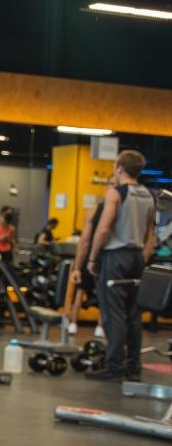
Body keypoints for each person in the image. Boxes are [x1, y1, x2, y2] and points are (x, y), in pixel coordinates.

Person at [87, 150, 155, 382]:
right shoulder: (148, 195)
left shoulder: (115, 193)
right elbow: (149, 234)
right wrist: (142, 259)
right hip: (136, 256)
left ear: (119, 168)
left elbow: (104, 229)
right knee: (133, 314)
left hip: (116, 256)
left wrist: (93, 258)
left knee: (113, 313)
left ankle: (114, 367)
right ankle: (133, 368)